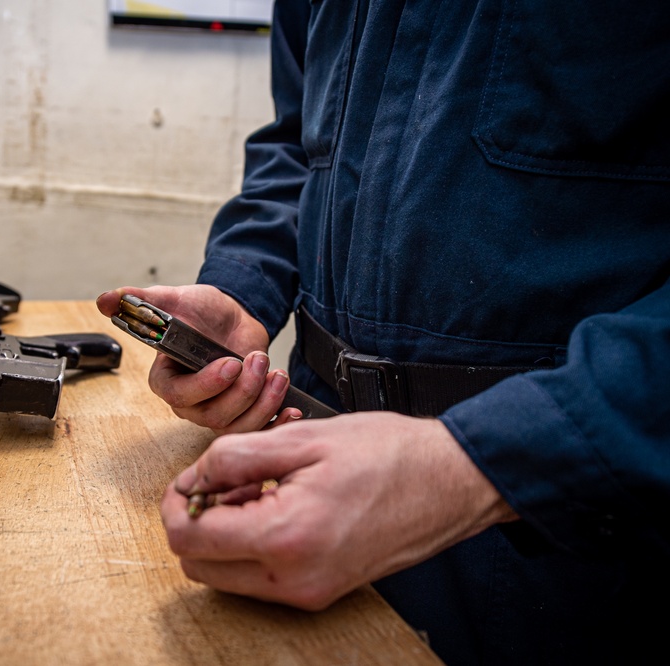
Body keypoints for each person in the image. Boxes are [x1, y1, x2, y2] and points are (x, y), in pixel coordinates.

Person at [97, 1, 670, 664]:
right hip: (308, 454)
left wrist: (492, 461)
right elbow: (298, 144)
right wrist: (242, 286)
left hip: (560, 532)